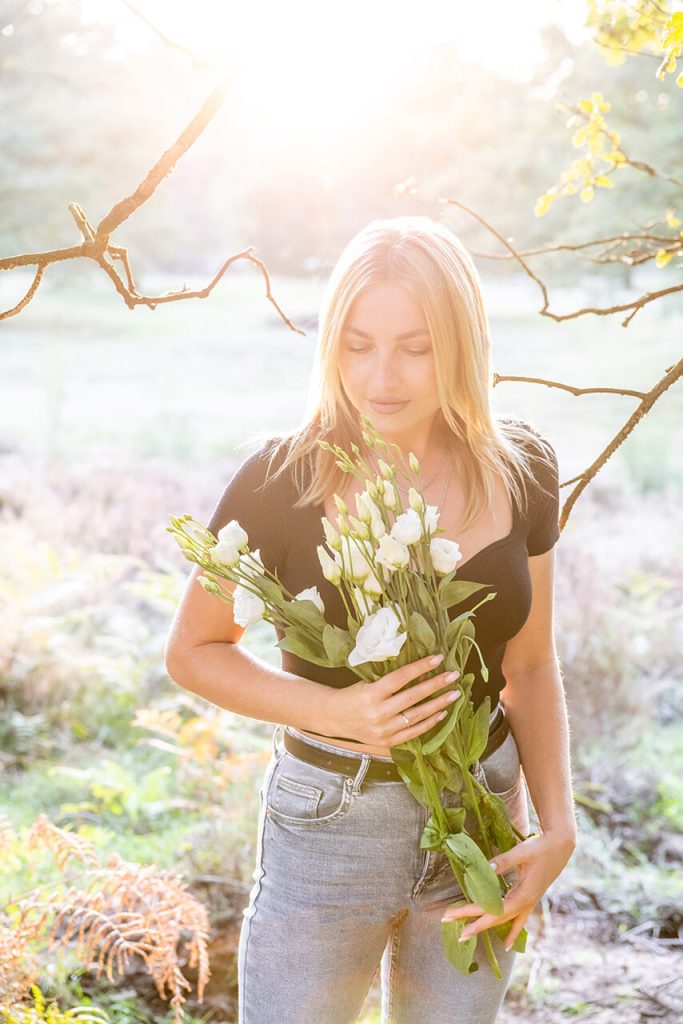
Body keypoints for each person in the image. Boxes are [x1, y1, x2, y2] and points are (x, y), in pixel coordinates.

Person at [164, 215, 577, 1024]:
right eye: (357, 346)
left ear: (461, 345)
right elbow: (193, 651)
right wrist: (337, 711)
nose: (381, 376)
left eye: (415, 348)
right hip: (331, 824)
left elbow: (529, 667)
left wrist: (556, 826)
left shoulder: (523, 466)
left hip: (480, 818)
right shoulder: (281, 477)